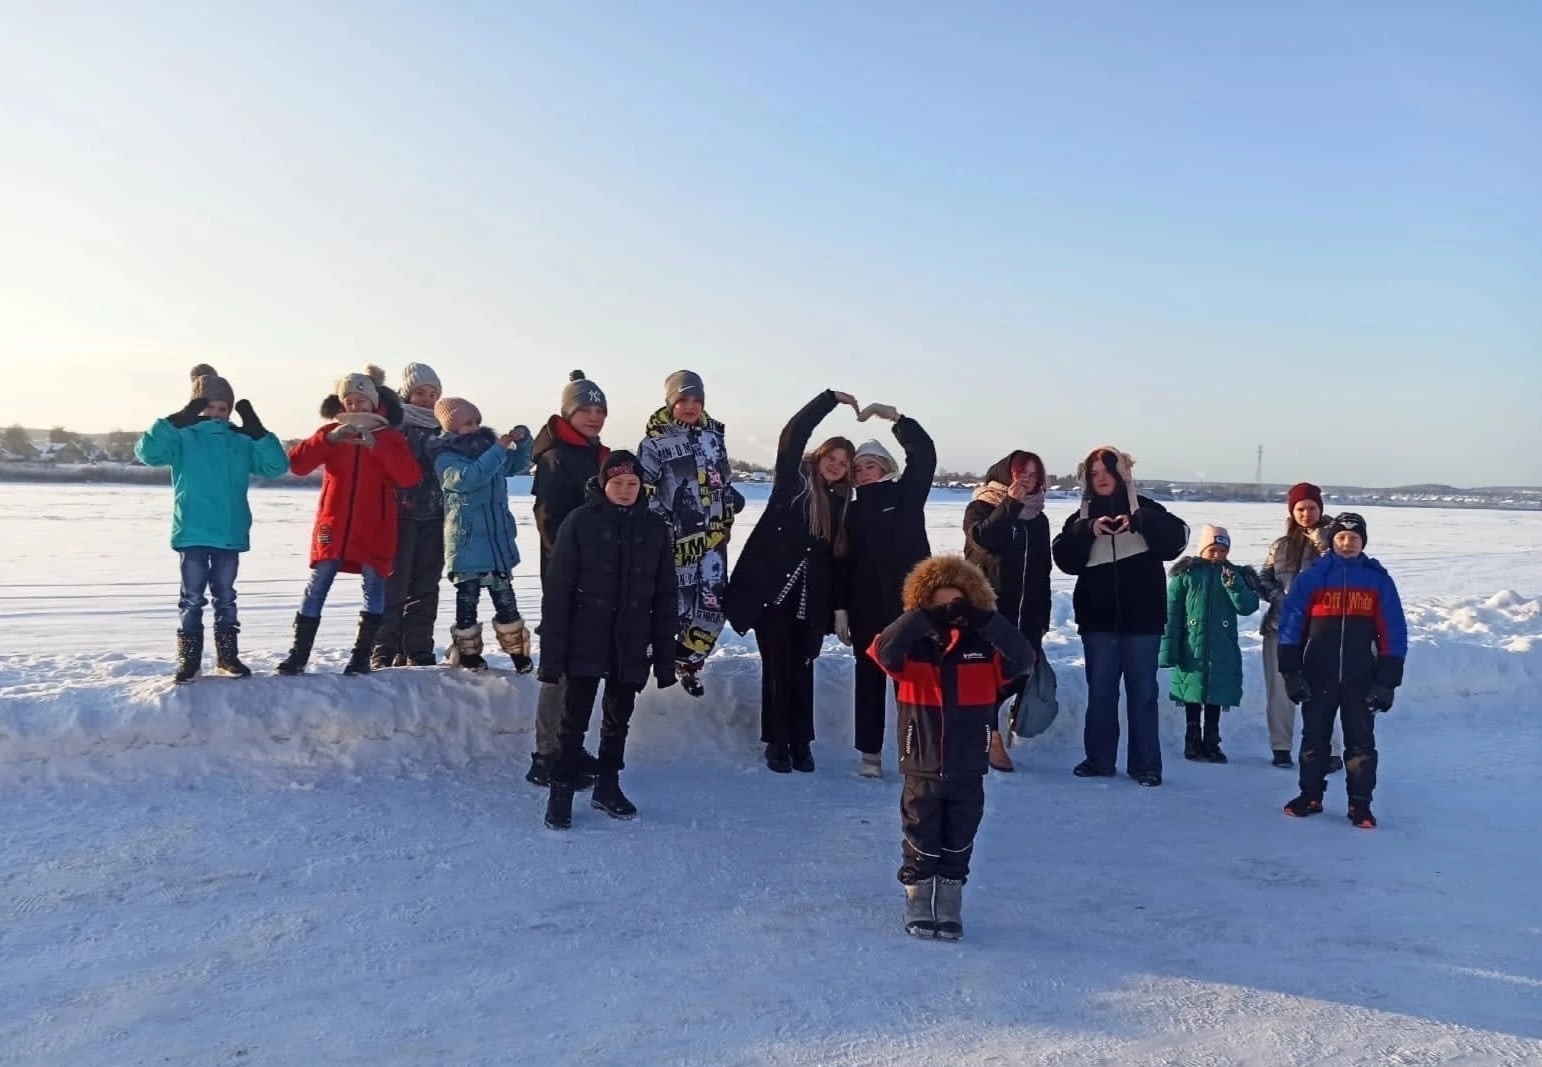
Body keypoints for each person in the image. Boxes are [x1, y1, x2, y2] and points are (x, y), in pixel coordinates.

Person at [868, 555, 1033, 940]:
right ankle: (918, 896)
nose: (948, 613)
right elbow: (881, 650)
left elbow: (1023, 658)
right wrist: (921, 618)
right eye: (939, 605)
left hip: (967, 761)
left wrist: (986, 621)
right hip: (922, 760)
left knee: (961, 831)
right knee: (920, 830)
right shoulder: (913, 648)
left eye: (956, 605)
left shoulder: (983, 648)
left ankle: (949, 900)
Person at [538, 452, 678, 829]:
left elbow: (666, 594)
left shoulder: (653, 527)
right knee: (573, 721)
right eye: (617, 483)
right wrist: (552, 655)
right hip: (586, 638)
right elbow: (558, 591)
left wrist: (665, 657)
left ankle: (608, 785)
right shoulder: (579, 523)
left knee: (618, 721)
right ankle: (561, 790)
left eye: (632, 484)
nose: (625, 490)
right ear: (603, 484)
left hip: (631, 641)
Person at [725, 389, 858, 774]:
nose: (836, 466)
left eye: (843, 462)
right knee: (776, 670)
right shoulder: (792, 485)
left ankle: (802, 742)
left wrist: (838, 608)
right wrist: (829, 399)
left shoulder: (841, 504)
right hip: (771, 596)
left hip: (810, 602)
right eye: (831, 458)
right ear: (819, 457)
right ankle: (777, 743)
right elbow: (792, 433)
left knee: (803, 668)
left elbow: (837, 561)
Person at [134, 365, 290, 682]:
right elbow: (147, 453)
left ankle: (228, 657)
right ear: (196, 407)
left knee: (226, 597)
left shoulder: (240, 440)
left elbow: (276, 466)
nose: (216, 414)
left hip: (229, 533)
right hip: (192, 529)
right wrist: (172, 421)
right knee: (191, 598)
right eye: (209, 407)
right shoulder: (182, 438)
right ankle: (189, 660)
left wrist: (260, 434)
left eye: (223, 408)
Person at [1051, 446, 1189, 786]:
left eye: (1107, 471)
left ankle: (1146, 765)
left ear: (1122, 474)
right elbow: (1065, 560)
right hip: (1097, 622)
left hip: (1143, 621)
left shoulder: (1147, 509)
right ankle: (1099, 760)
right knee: (1100, 692)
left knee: (1143, 693)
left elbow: (1176, 540)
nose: (1100, 478)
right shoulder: (1080, 517)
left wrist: (1142, 521)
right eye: (1094, 473)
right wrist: (1087, 531)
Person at [278, 369, 421, 676]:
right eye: (350, 401)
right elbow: (299, 465)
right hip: (335, 526)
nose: (355, 407)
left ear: (373, 402)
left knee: (374, 586)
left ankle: (361, 656)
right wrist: (327, 440)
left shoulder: (389, 437)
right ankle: (298, 654)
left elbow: (409, 477)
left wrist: (376, 447)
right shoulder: (331, 433)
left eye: (361, 401)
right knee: (318, 584)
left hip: (375, 527)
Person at [1277, 513, 1407, 829]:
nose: (1347, 544)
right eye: (1341, 538)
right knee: (1314, 739)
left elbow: (1394, 630)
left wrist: (1387, 680)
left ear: (1363, 542)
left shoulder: (1377, 580)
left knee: (1361, 742)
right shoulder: (1313, 577)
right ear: (1332, 541)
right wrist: (1291, 672)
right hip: (1317, 673)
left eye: (1354, 539)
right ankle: (1310, 795)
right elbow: (1291, 626)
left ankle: (1359, 804)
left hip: (1361, 677)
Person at [837, 402, 936, 778]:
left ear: (887, 467)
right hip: (865, 610)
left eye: (870, 465)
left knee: (910, 684)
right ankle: (870, 756)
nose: (863, 473)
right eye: (858, 468)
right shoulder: (850, 511)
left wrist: (896, 419)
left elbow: (924, 453)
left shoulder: (906, 495)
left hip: (908, 608)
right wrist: (841, 608)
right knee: (869, 680)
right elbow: (843, 565)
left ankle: (914, 754)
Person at [638, 370, 745, 697]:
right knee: (678, 605)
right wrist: (664, 526)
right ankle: (661, 660)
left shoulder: (714, 436)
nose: (690, 405)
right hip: (675, 542)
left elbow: (720, 479)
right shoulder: (654, 442)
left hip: (713, 541)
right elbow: (646, 490)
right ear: (670, 401)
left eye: (696, 399)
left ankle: (691, 662)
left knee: (713, 606)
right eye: (683, 399)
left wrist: (729, 502)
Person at [527, 370, 610, 789]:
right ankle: (546, 754)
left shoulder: (594, 454)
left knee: (582, 664)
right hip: (567, 579)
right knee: (559, 664)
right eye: (586, 410)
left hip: (594, 580)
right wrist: (576, 568)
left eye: (600, 410)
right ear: (568, 413)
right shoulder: (558, 458)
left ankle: (569, 746)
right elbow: (552, 526)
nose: (594, 417)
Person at [962, 449, 1052, 772]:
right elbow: (983, 541)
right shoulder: (980, 507)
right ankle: (990, 738)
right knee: (985, 676)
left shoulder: (1039, 519)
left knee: (1016, 674)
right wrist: (1010, 506)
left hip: (1025, 614)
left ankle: (990, 728)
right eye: (1020, 473)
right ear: (1005, 474)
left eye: (1032, 474)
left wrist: (1044, 616)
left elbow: (1043, 569)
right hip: (988, 611)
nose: (1026, 479)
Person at [430, 397, 534, 673]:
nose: (475, 427)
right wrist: (499, 448)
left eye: (477, 421)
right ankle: (468, 652)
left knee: (506, 600)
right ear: (451, 427)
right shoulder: (446, 459)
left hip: (497, 544)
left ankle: (518, 653)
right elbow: (469, 478)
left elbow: (518, 465)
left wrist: (522, 442)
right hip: (466, 545)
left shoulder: (490, 452)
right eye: (467, 423)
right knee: (468, 601)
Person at [1257, 482, 1343, 770]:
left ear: (1320, 509)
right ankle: (1281, 747)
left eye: (1311, 508)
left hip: (1320, 628)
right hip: (1280, 627)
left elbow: (1340, 569)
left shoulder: (1337, 541)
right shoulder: (1280, 546)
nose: (1306, 513)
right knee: (1279, 691)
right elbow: (1264, 578)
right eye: (1300, 509)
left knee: (1324, 690)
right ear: (1292, 512)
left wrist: (1322, 539)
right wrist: (1275, 596)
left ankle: (1331, 750)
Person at [1159, 525, 1260, 764]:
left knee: (1216, 692)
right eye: (1212, 550)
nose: (1217, 555)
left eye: (1222, 551)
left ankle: (1212, 740)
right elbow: (1171, 614)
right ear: (1203, 549)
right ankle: (1192, 738)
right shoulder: (1186, 574)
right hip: (1191, 647)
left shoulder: (1234, 575)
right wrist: (1168, 649)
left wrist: (1234, 587)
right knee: (1193, 693)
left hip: (1222, 648)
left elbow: (1248, 606)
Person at [371, 363, 446, 669]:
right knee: (394, 584)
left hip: (436, 516)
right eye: (420, 393)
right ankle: (384, 646)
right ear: (406, 393)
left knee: (426, 585)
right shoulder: (393, 426)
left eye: (432, 394)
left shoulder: (445, 428)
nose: (427, 400)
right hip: (398, 515)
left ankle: (418, 647)